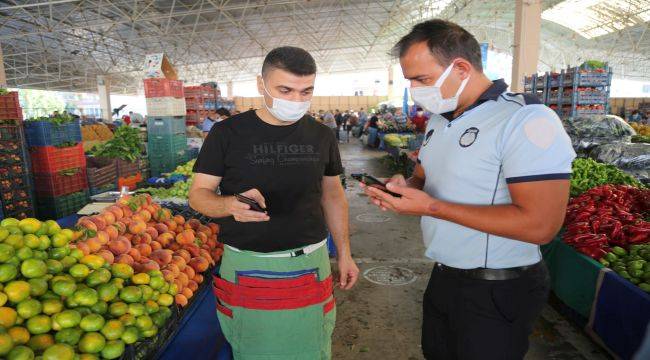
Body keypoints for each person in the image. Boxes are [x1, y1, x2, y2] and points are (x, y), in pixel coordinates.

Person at [363, 19, 576, 360]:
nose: (416, 90)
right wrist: (404, 188)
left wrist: (431, 207)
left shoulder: (525, 119)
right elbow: (423, 175)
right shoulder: (440, 119)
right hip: (445, 275)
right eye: (411, 81)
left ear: (460, 68)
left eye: (422, 79)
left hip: (498, 287)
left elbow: (541, 225)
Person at [189, 46, 359, 359]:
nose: (296, 100)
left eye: (305, 91)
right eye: (285, 90)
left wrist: (345, 254)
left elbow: (333, 195)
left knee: (313, 348)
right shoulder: (226, 133)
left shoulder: (322, 135)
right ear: (260, 84)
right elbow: (198, 194)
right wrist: (229, 206)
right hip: (248, 265)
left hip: (310, 262)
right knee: (253, 348)